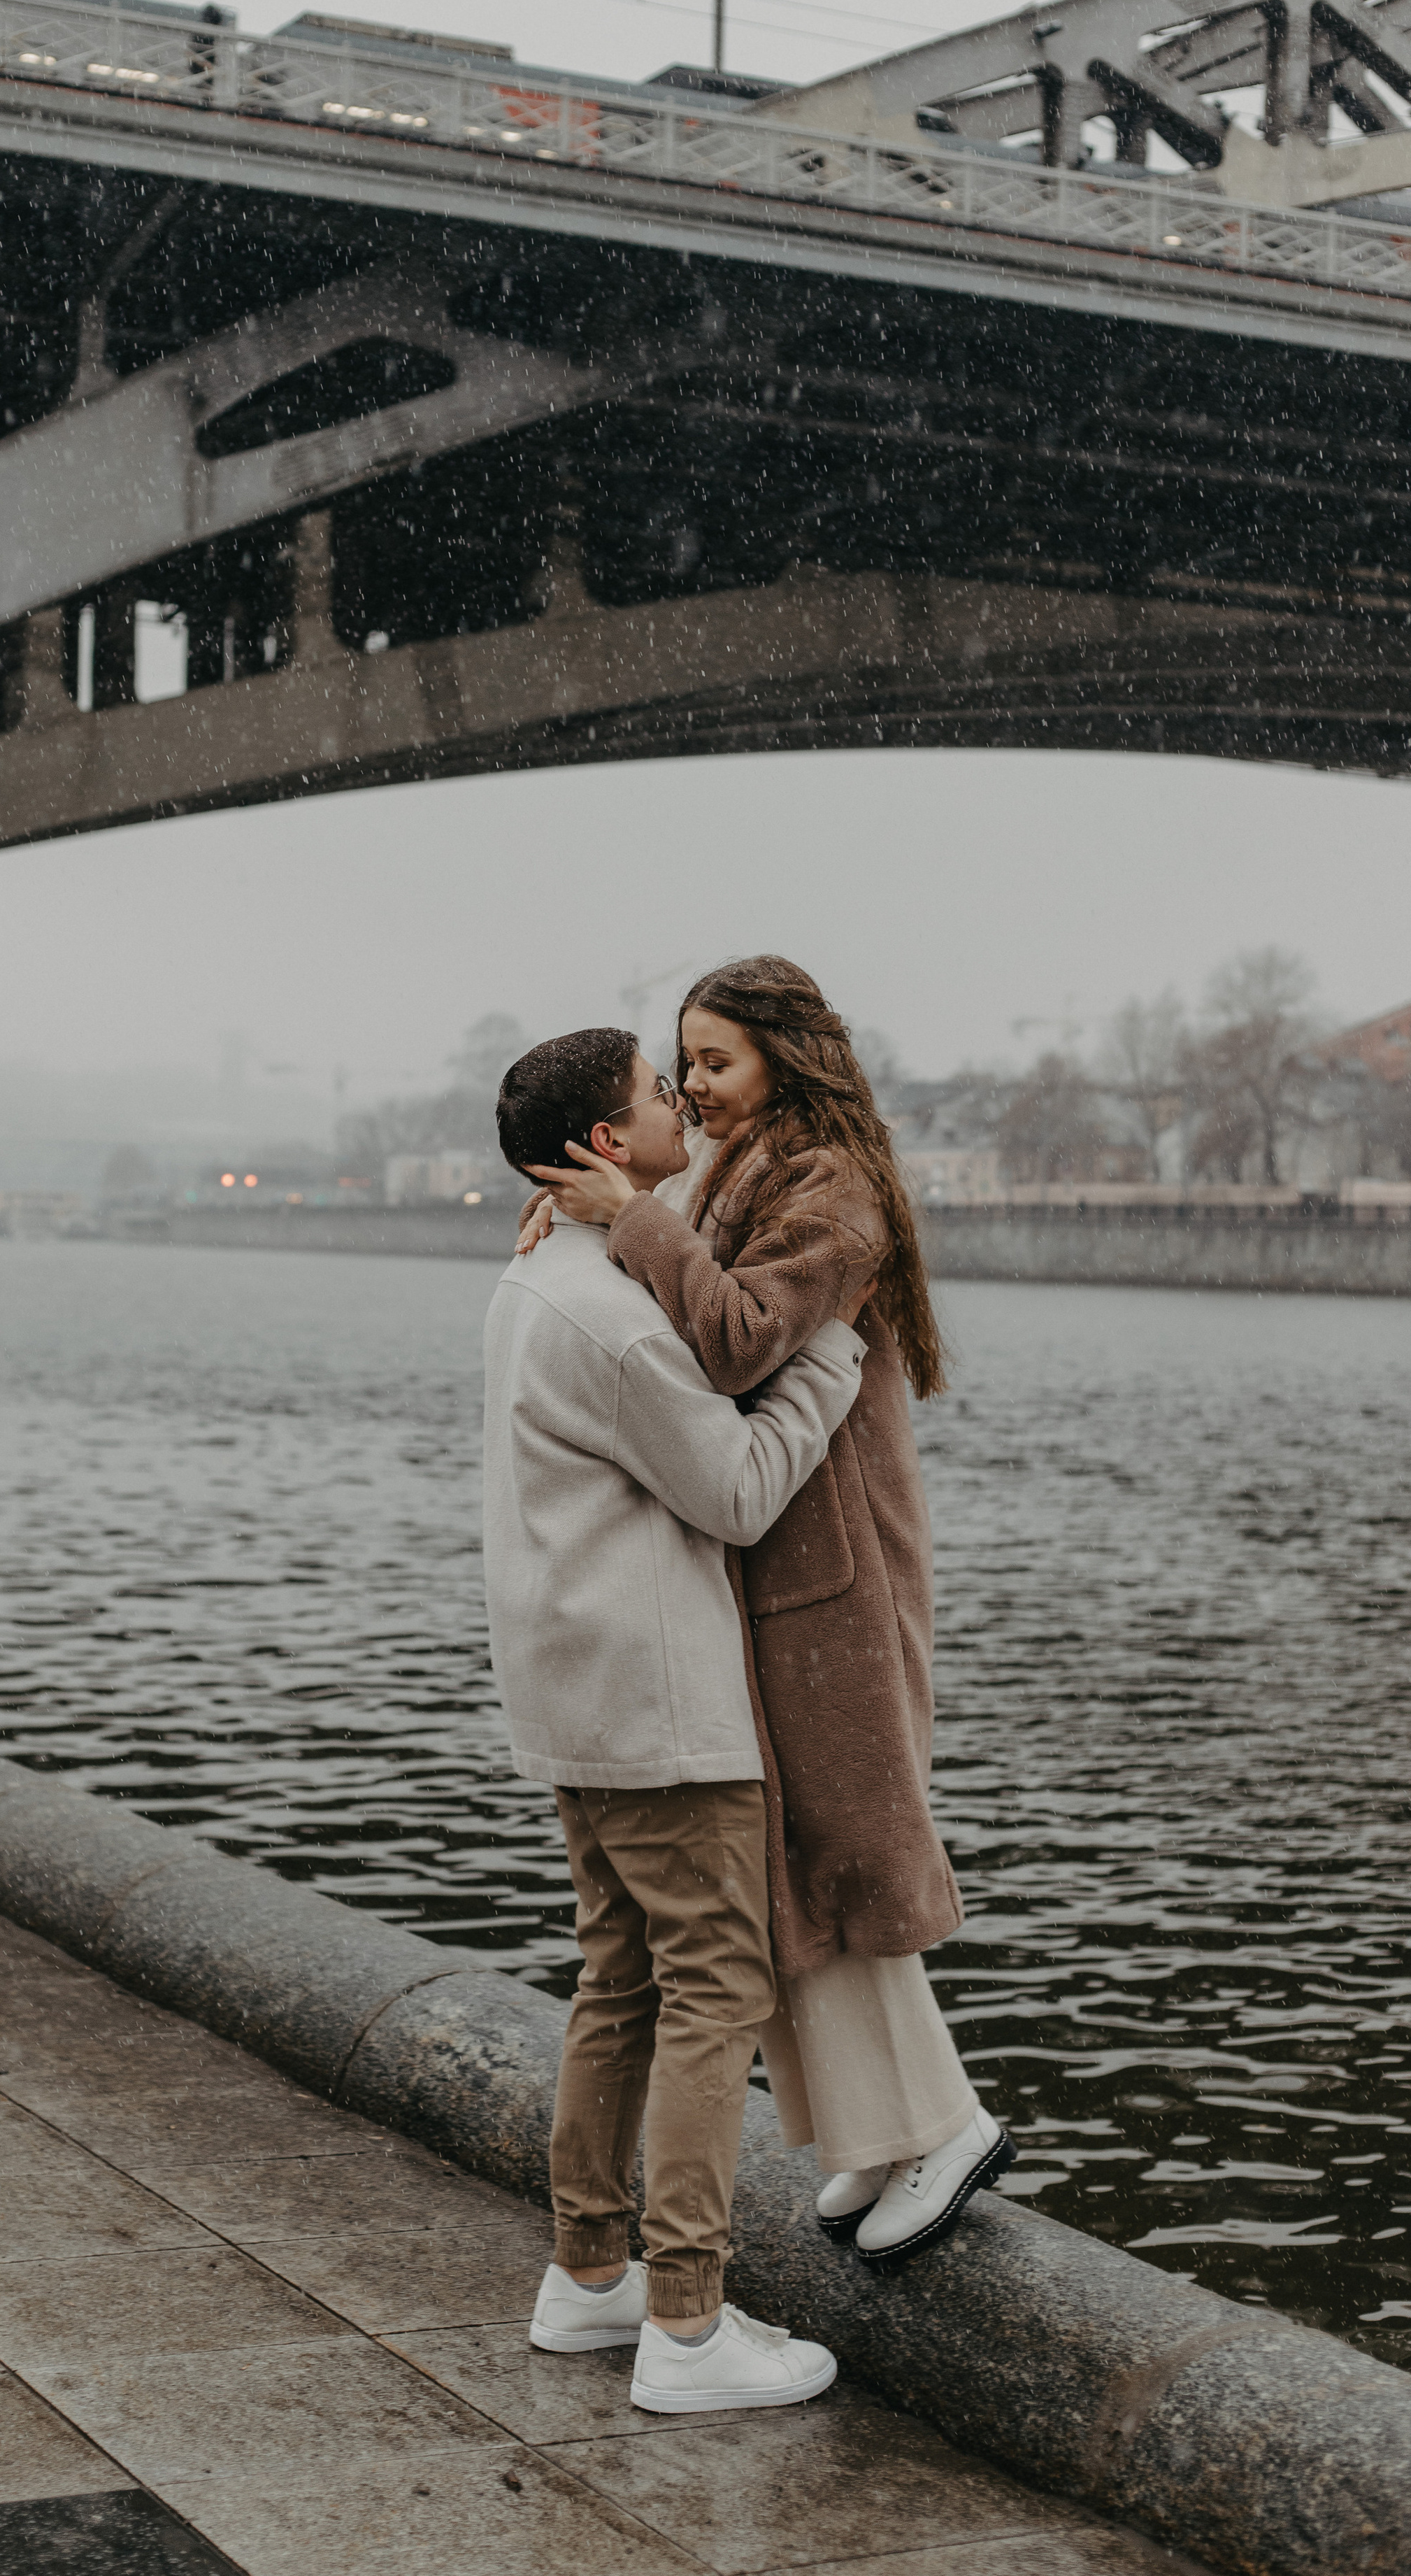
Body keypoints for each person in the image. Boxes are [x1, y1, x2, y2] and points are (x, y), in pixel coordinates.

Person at [523, 958, 1014, 2265]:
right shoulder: (743, 1168)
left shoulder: (832, 1190)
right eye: (683, 1061)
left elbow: (738, 1338)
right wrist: (577, 1214)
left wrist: (629, 1219)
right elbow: (663, 1249)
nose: (692, 1086)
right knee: (793, 1861)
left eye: (716, 1061)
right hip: (773, 1554)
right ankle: (883, 2133)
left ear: (786, 1061)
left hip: (832, 1571)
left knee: (849, 1846)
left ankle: (946, 2124)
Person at [485, 1025, 871, 2414]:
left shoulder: (538, 1276)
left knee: (621, 1982)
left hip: (571, 1690)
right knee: (713, 1989)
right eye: (660, 1094)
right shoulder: (612, 1314)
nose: (681, 1105)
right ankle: (689, 2327)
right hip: (657, 1701)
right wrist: (830, 1354)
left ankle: (590, 2276)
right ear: (604, 1142)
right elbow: (739, 1490)